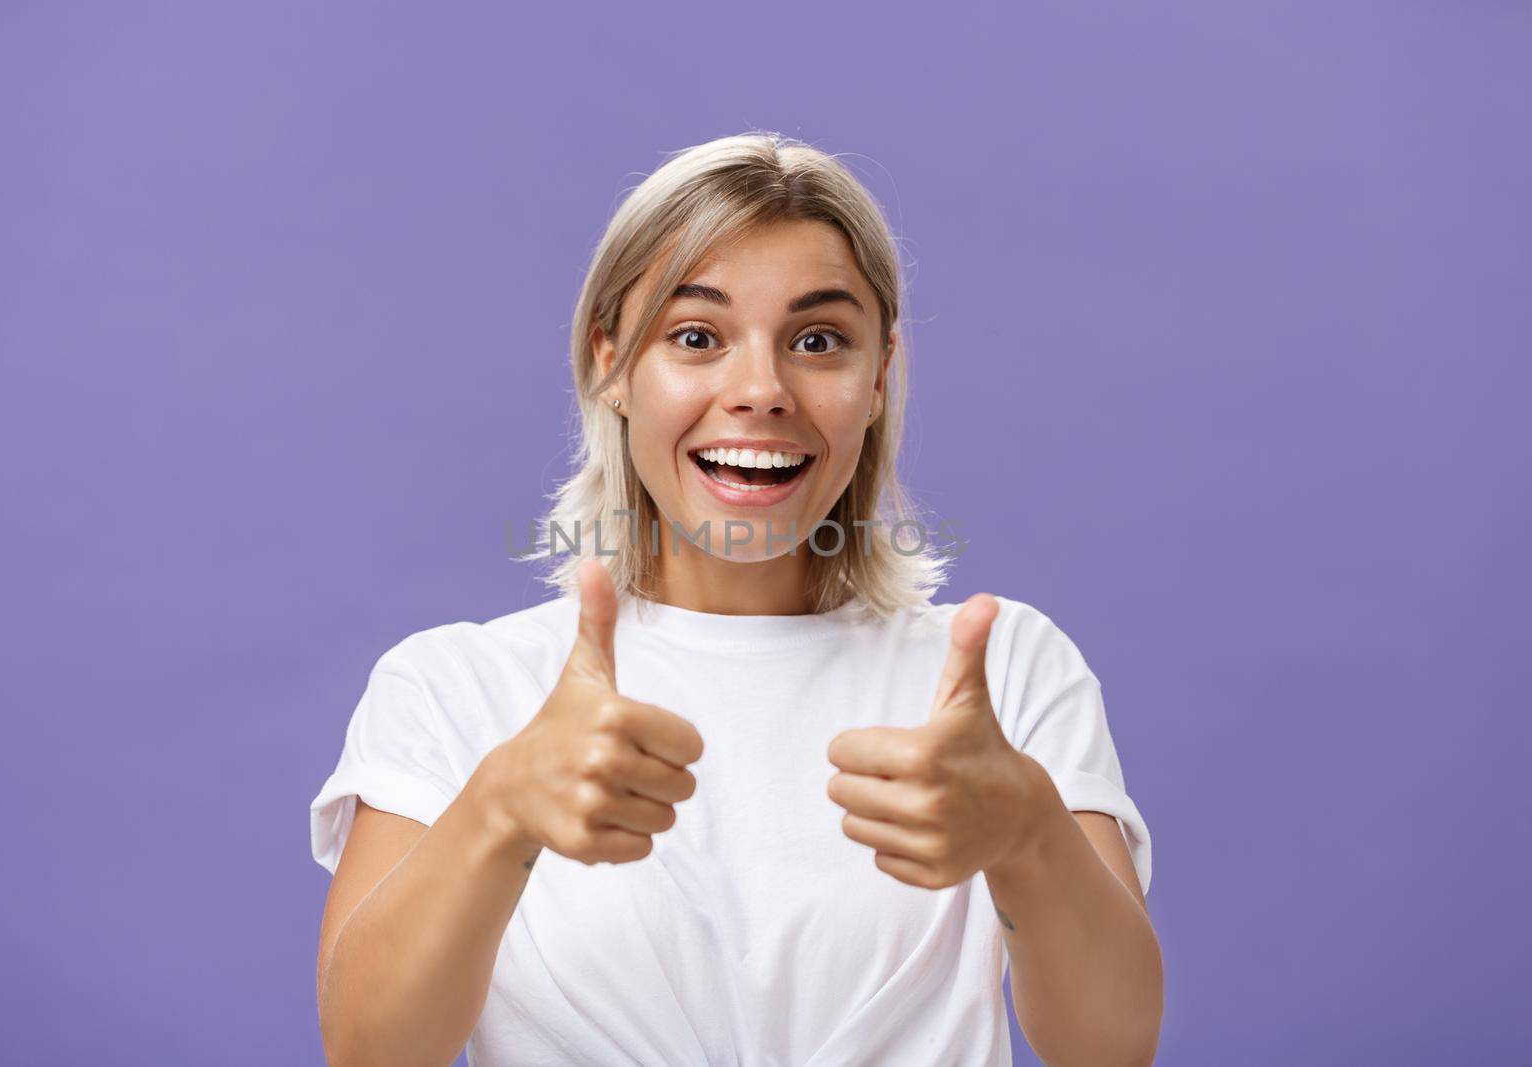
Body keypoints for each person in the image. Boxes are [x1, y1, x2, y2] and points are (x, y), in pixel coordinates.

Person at [309, 131, 1163, 1067]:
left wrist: (1030, 833)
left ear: (877, 376)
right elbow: (368, 1051)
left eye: (818, 340)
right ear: (610, 362)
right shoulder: (455, 687)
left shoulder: (1002, 672)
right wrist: (498, 809)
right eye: (696, 336)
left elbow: (1110, 1047)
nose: (760, 390)